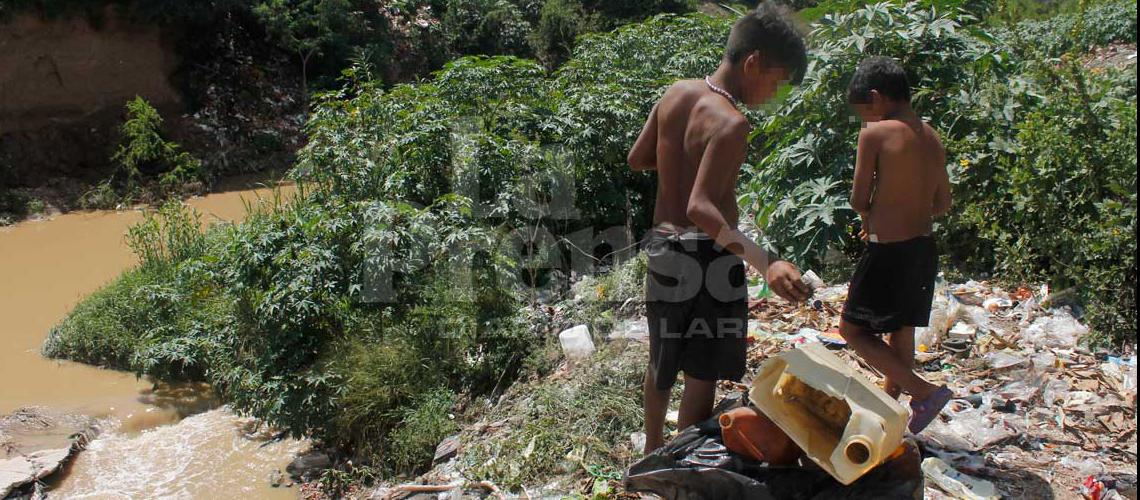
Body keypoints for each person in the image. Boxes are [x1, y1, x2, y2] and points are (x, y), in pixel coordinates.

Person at [626, 2, 811, 454]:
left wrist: (679, 160)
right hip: (707, 254)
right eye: (777, 81)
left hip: (664, 248)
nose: (773, 93)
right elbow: (703, 209)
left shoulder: (677, 93)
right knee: (701, 370)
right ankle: (681, 459)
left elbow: (638, 158)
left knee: (662, 360)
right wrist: (765, 262)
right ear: (753, 63)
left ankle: (652, 453)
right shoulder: (732, 122)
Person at [838, 56, 953, 434]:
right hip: (923, 247)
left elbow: (858, 199)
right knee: (901, 330)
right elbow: (942, 204)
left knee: (853, 330)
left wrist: (872, 214)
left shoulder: (875, 134)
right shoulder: (930, 133)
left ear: (876, 97)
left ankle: (924, 393)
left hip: (889, 249)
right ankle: (892, 411)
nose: (864, 122)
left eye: (864, 112)